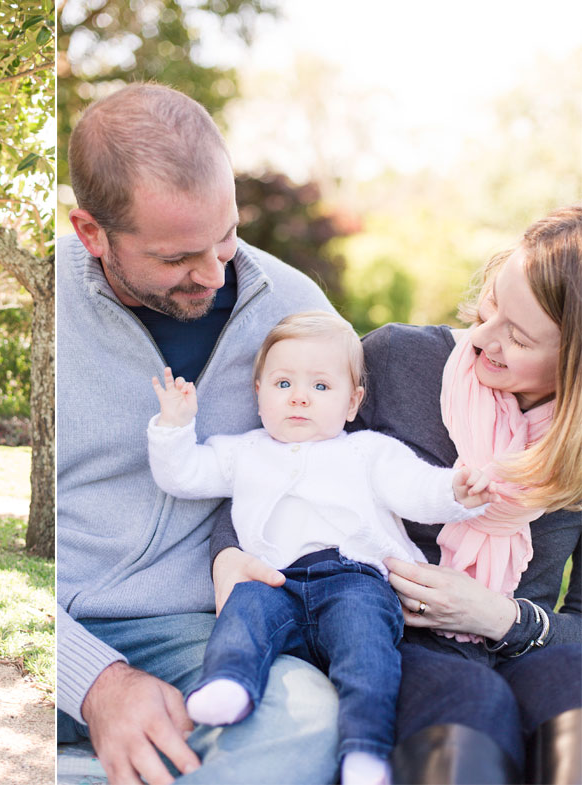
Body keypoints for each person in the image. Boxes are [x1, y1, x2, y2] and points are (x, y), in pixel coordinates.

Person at [213, 204, 582, 784]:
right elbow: (280, 457)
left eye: (517, 335)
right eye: (491, 306)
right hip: (385, 631)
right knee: (473, 704)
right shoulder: (400, 358)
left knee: (574, 697)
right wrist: (229, 554)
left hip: (517, 643)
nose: (481, 337)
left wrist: (500, 616)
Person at [56, 82, 342, 785]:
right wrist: (96, 683)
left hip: (199, 634)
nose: (214, 275)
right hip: (43, 627)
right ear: (92, 233)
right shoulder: (37, 301)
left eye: (227, 237)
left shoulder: (297, 311)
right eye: (179, 258)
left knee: (307, 715)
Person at [148, 311, 497, 785]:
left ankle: (365, 751)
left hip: (354, 580)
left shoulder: (368, 451)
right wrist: (174, 426)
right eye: (283, 382)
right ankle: (229, 683)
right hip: (276, 580)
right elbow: (183, 475)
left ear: (353, 402)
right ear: (258, 392)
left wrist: (456, 492)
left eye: (321, 387)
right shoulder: (243, 451)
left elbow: (415, 489)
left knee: (367, 654)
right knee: (242, 612)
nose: (298, 397)